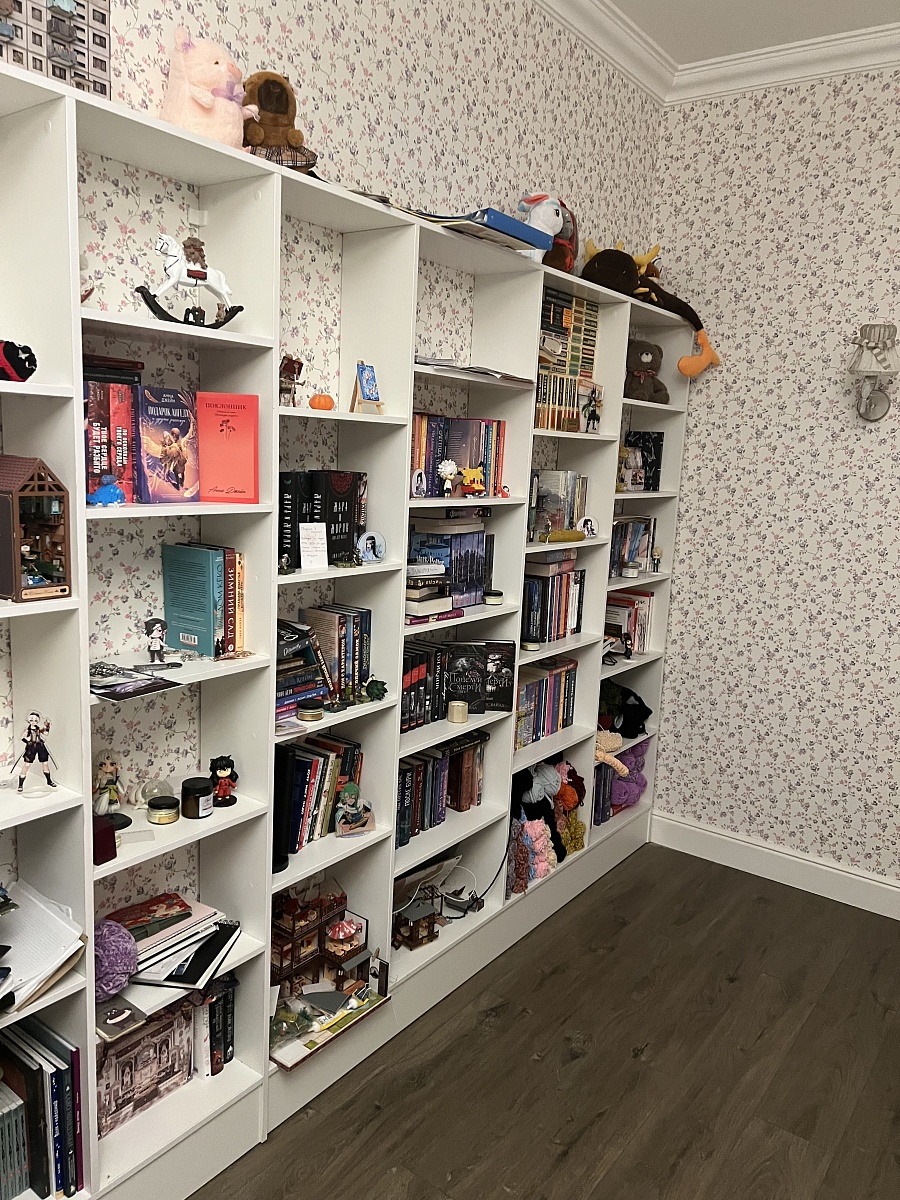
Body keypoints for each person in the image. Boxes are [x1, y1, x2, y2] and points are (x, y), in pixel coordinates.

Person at [18, 711, 55, 792]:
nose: (33, 722)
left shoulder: (39, 729)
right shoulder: (27, 730)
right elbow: (22, 737)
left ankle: (49, 781)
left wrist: (47, 726)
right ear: (29, 720)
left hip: (40, 747)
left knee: (45, 763)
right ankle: (20, 784)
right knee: (27, 764)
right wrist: (28, 742)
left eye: (35, 720)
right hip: (31, 748)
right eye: (31, 720)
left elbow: (46, 733)